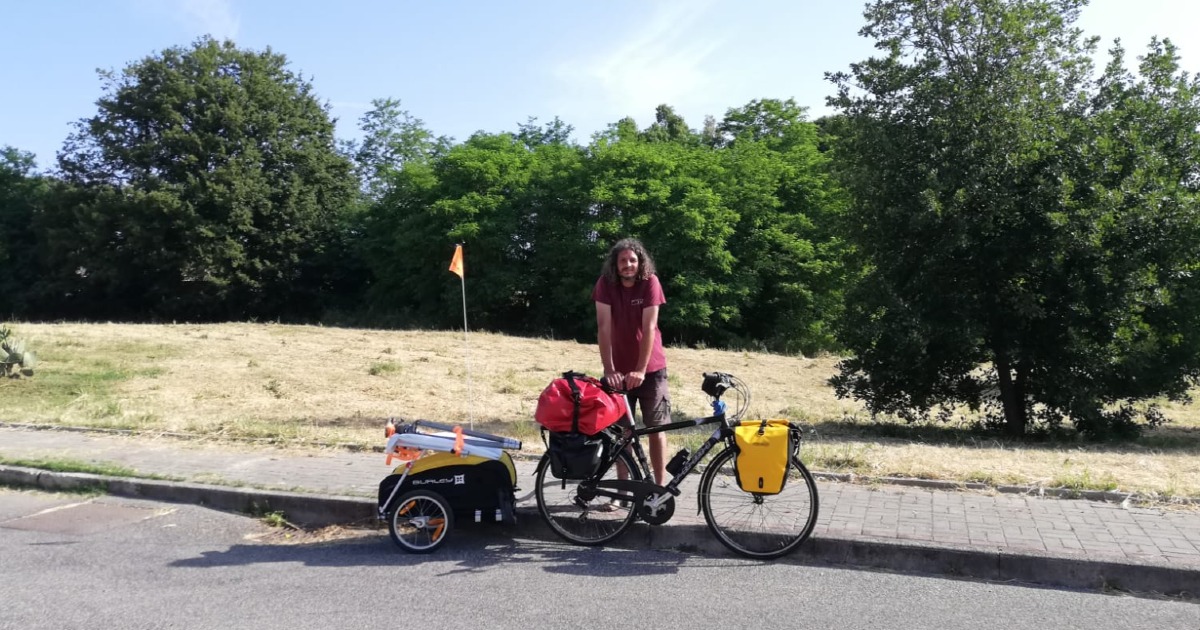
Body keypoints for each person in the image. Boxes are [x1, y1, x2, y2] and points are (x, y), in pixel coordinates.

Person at [592, 237, 670, 485]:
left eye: (633, 260)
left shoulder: (650, 282)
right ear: (615, 264)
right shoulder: (605, 284)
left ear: (641, 262)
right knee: (622, 433)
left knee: (656, 430)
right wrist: (610, 369)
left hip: (651, 369)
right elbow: (603, 327)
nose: (628, 265)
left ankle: (660, 489)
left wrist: (640, 369)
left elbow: (649, 328)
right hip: (619, 373)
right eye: (623, 260)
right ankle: (624, 492)